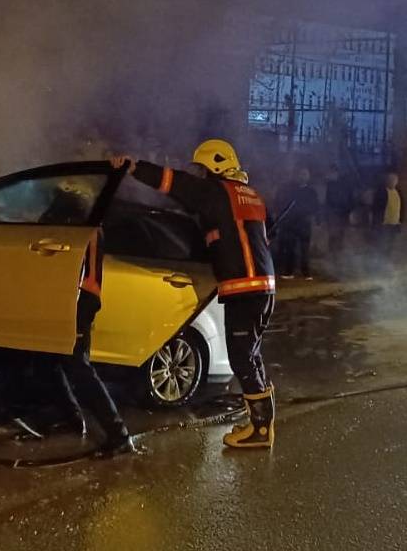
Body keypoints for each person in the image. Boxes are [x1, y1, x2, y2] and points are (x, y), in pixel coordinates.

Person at [111, 140, 276, 449]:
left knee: (243, 358)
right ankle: (262, 425)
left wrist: (135, 168)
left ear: (215, 167)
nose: (199, 175)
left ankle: (261, 430)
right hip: (263, 288)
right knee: (250, 356)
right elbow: (263, 233)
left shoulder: (217, 192)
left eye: (202, 169)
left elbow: (175, 183)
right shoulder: (251, 195)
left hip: (244, 288)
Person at [41, 184, 135, 457]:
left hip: (79, 301)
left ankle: (118, 435)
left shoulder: (84, 230)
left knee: (78, 368)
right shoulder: (84, 226)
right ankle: (72, 418)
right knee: (52, 360)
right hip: (74, 300)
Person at [276, 167, 319, 280]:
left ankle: (306, 272)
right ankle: (289, 271)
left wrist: (314, 218)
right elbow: (285, 204)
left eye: (305, 174)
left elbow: (315, 207)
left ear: (309, 176)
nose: (303, 176)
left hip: (304, 224)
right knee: (290, 248)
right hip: (291, 223)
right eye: (301, 174)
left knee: (304, 249)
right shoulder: (291, 190)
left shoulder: (311, 192)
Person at [372, 171, 402, 262]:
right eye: (391, 180)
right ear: (387, 181)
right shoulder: (381, 192)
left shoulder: (397, 191)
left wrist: (400, 221)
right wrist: (377, 223)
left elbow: (400, 207)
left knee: (390, 245)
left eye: (395, 180)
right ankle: (379, 262)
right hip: (384, 224)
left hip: (394, 223)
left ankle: (387, 261)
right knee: (381, 244)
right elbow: (376, 208)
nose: (394, 182)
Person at [325, 165, 354, 257]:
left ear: (336, 173)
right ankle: (333, 254)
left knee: (340, 235)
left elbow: (350, 199)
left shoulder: (345, 184)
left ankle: (338, 254)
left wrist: (348, 210)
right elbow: (328, 201)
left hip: (342, 214)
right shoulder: (330, 184)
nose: (329, 175)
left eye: (331, 173)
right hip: (333, 215)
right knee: (333, 235)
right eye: (329, 173)